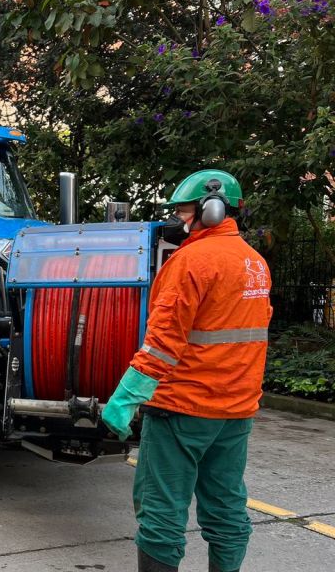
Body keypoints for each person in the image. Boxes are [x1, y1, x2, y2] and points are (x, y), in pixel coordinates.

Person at [101, 170, 272, 572]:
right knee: (227, 507)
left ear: (212, 209)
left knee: (161, 513)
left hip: (183, 410)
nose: (180, 220)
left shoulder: (190, 261)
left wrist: (125, 399)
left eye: (184, 211)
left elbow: (162, 342)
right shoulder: (256, 264)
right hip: (235, 413)